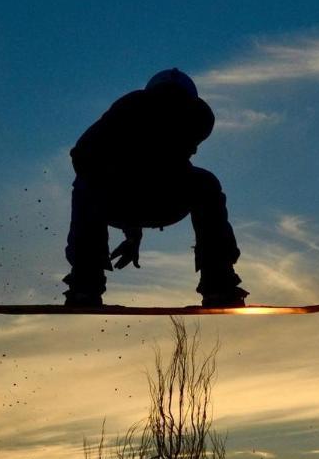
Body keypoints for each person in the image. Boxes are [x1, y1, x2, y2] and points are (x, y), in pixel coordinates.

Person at [63, 68, 248, 308]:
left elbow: (160, 172)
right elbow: (84, 157)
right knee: (85, 184)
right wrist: (130, 222)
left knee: (205, 184)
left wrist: (131, 226)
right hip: (130, 196)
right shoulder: (129, 112)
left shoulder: (196, 119)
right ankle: (85, 283)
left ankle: (218, 283)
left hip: (153, 198)